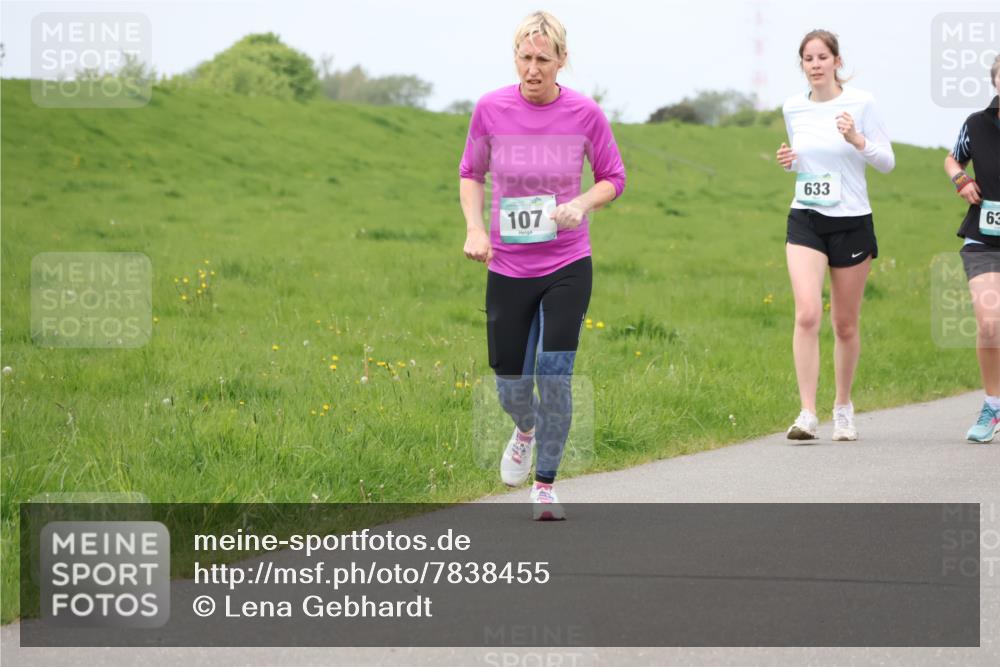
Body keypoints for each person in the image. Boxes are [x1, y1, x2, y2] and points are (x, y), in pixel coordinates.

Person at [458, 11, 626, 519]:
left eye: (543, 59)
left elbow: (613, 177)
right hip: (508, 267)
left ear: (561, 61)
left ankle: (546, 484)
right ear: (516, 58)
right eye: (525, 58)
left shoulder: (584, 114)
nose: (533, 69)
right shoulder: (490, 109)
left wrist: (581, 204)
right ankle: (524, 430)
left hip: (567, 263)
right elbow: (471, 173)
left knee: (555, 374)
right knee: (511, 384)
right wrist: (475, 228)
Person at [775, 29, 894, 441]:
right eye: (808, 58)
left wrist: (857, 139)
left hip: (851, 220)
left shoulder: (861, 103)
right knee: (807, 313)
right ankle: (807, 412)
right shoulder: (793, 108)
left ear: (837, 61)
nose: (816, 64)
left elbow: (887, 162)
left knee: (844, 324)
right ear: (802, 65)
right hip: (806, 218)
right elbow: (806, 162)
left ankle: (842, 406)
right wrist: (790, 162)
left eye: (823, 57)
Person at [943, 54, 1000, 443]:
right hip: (983, 237)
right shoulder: (976, 124)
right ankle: (993, 406)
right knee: (990, 322)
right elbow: (952, 158)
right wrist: (961, 178)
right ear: (995, 80)